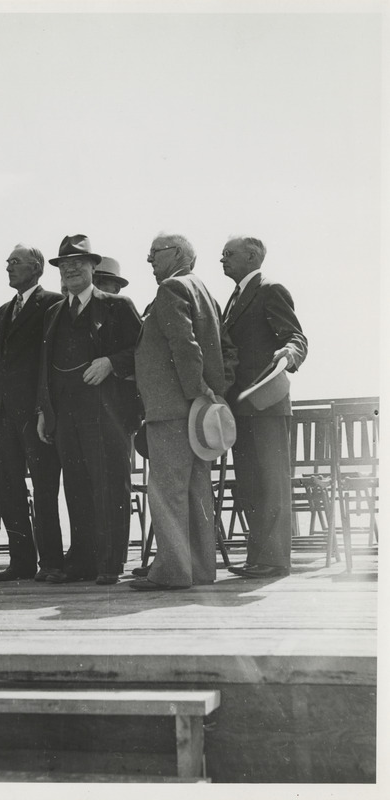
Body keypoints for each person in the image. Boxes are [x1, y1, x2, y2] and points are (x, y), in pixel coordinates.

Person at [129, 233, 237, 591]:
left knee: (168, 491)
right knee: (196, 490)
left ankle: (173, 571)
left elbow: (184, 343)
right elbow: (224, 348)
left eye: (154, 253)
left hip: (172, 409)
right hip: (197, 412)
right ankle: (201, 569)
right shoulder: (204, 291)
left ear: (177, 254)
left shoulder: (171, 289)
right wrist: (213, 392)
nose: (149, 261)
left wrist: (195, 389)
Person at [37, 234, 142, 585]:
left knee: (110, 485)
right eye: (64, 265)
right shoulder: (54, 313)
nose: (70, 270)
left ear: (93, 268)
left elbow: (143, 353)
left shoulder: (117, 305)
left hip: (107, 414)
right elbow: (45, 368)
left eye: (77, 264)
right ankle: (82, 561)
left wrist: (111, 362)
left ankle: (110, 564)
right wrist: (44, 412)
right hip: (66, 415)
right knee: (76, 487)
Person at [221, 236, 308, 579]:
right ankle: (258, 557)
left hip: (267, 404)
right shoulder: (234, 297)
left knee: (271, 483)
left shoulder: (270, 289)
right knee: (251, 485)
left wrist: (289, 355)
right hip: (241, 407)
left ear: (252, 256)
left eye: (229, 254)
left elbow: (296, 336)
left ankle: (273, 560)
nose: (222, 259)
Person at [0, 244, 64, 582]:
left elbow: (48, 363)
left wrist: (42, 408)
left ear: (36, 267)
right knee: (8, 487)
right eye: (7, 262)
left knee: (45, 487)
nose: (8, 268)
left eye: (15, 262)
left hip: (34, 412)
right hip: (3, 412)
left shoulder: (51, 304)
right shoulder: (3, 311)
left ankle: (52, 562)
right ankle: (20, 562)